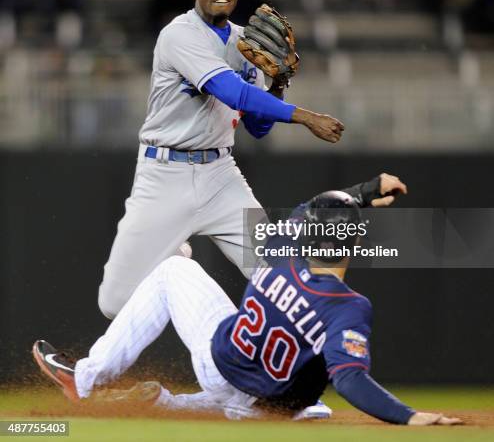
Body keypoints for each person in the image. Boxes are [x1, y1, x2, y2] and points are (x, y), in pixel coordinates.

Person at [32, 173, 460, 425]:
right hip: (268, 406)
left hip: (221, 363)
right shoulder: (349, 306)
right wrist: (409, 415)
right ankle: (163, 401)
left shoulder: (280, 246)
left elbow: (309, 209)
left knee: (173, 269)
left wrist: (365, 190)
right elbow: (349, 378)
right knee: (310, 395)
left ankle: (92, 381)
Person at [97, 0, 344, 321]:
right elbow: (231, 92)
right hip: (165, 174)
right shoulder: (179, 34)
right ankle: (174, 264)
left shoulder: (248, 44)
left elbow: (257, 127)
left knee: (277, 275)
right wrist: (303, 116)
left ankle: (276, 371)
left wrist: (279, 82)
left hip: (220, 175)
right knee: (114, 302)